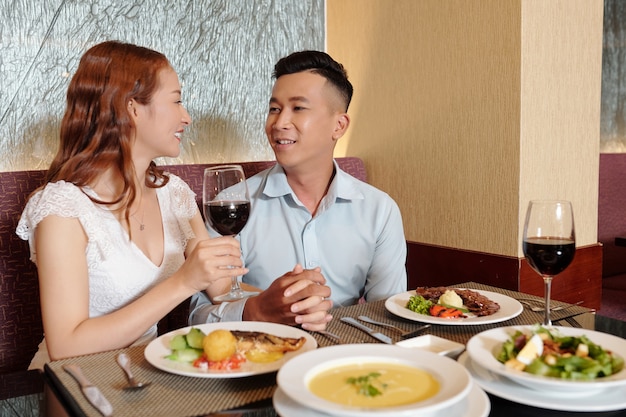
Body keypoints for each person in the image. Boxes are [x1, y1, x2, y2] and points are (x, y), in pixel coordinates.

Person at [16, 40, 248, 369]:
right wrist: (182, 281)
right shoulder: (62, 207)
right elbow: (66, 345)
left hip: (144, 377)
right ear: (132, 108)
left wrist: (283, 297)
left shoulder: (175, 194)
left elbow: (223, 288)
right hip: (73, 384)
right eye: (177, 101)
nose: (187, 117)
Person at [189, 50, 407, 330]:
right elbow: (198, 315)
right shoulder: (231, 205)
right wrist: (257, 310)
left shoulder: (379, 210)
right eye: (274, 109)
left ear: (338, 126)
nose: (279, 123)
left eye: (298, 108)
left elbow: (388, 312)